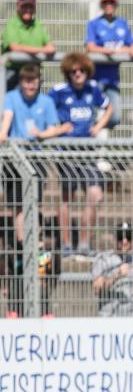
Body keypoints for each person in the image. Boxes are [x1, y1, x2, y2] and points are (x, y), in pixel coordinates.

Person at [0, 63, 69, 318]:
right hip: (15, 159)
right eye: (26, 81)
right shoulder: (11, 98)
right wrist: (4, 134)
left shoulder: (46, 102)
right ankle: (23, 241)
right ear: (20, 82)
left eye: (34, 81)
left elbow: (56, 127)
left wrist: (43, 134)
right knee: (18, 204)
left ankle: (34, 240)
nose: (30, 86)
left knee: (35, 203)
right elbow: (6, 121)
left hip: (35, 159)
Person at [50, 52, 113, 256]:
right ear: (67, 73)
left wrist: (98, 126)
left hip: (87, 151)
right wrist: (58, 129)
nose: (78, 74)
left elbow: (108, 107)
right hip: (67, 151)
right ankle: (66, 243)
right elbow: (44, 111)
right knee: (67, 196)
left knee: (95, 194)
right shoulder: (59, 91)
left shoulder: (93, 89)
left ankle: (85, 243)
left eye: (81, 70)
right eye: (73, 71)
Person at [92, 221, 133, 392]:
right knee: (109, 368)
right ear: (115, 239)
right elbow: (97, 287)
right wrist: (117, 274)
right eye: (121, 236)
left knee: (127, 369)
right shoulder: (104, 259)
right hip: (109, 321)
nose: (124, 241)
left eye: (128, 236)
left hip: (130, 320)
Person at [84, 0, 133, 131]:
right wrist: (108, 51)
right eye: (106, 2)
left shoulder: (122, 23)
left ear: (116, 4)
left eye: (111, 2)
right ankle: (86, 144)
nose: (109, 5)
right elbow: (91, 47)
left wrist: (118, 51)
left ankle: (93, 129)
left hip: (112, 79)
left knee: (115, 117)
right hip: (95, 78)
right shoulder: (94, 24)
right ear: (101, 4)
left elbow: (132, 48)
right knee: (90, 114)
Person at [1, 0, 55, 88]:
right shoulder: (12, 24)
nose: (28, 10)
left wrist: (24, 49)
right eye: (24, 6)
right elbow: (15, 47)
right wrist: (41, 50)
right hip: (13, 74)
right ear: (18, 7)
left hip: (33, 73)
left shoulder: (38, 24)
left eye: (31, 7)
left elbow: (51, 48)